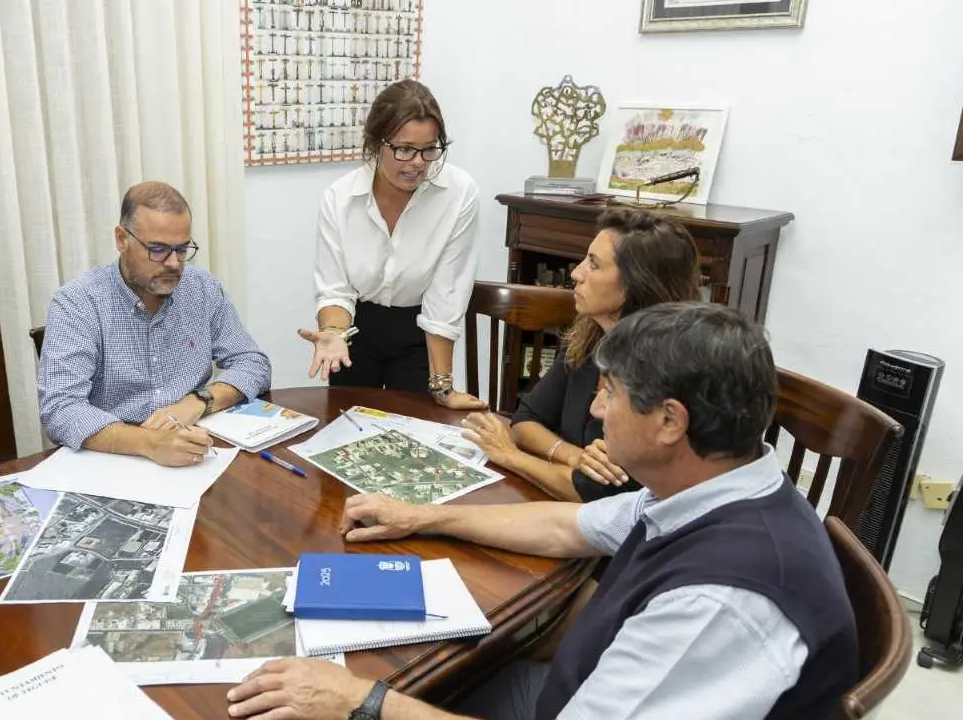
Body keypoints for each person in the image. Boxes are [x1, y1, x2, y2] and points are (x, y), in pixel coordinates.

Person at [229, 303, 858, 720]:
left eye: (610, 394)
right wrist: (422, 515)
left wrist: (359, 701)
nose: (595, 412)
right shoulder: (709, 485)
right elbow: (567, 525)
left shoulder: (720, 600)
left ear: (670, 421)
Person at [462, 208, 701, 502]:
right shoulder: (591, 336)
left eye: (594, 265)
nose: (576, 273)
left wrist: (510, 456)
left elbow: (598, 493)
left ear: (636, 284)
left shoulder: (660, 369)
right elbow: (527, 419)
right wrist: (575, 457)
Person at [39, 181, 271, 467]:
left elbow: (253, 363)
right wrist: (149, 443)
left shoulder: (202, 288)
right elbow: (60, 410)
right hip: (114, 458)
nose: (174, 263)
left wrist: (199, 401)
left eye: (182, 249)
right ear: (122, 239)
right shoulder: (78, 303)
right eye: (158, 249)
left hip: (194, 449)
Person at [300, 79, 486, 410]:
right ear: (376, 143)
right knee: (346, 434)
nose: (417, 163)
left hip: (419, 333)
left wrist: (443, 387)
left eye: (430, 148)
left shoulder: (458, 193)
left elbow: (446, 295)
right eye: (404, 149)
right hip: (355, 331)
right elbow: (335, 289)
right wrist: (332, 333)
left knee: (417, 434)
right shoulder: (340, 199)